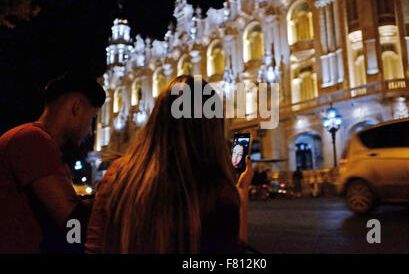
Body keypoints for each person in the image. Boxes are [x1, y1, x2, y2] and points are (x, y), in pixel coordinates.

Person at [85, 75, 254, 254]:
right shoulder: (218, 191)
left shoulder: (117, 175)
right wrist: (241, 194)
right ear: (212, 128)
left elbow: (94, 247)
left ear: (157, 119)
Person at [0, 73, 106, 253]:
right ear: (77, 107)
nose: (90, 131)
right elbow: (71, 221)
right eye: (92, 119)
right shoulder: (32, 140)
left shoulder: (39, 143)